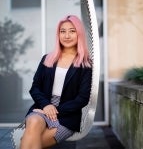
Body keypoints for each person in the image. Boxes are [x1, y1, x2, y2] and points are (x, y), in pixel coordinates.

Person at [20, 15, 92, 149]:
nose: (67, 35)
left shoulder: (85, 64)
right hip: (43, 107)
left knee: (27, 141)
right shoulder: (47, 59)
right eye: (62, 31)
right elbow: (35, 88)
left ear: (79, 34)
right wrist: (46, 106)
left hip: (67, 116)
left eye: (72, 31)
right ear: (58, 34)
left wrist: (56, 110)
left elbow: (82, 99)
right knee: (34, 122)